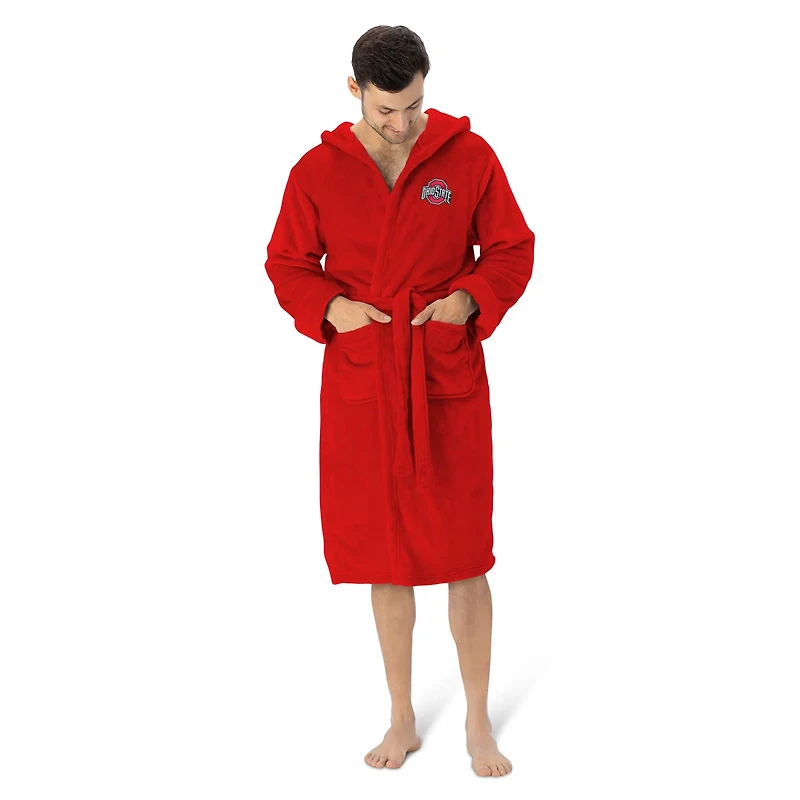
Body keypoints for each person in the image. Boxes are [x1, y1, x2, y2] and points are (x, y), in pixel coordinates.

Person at [263, 25, 534, 777]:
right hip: (366, 381)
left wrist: (468, 300)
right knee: (385, 557)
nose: (404, 123)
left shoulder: (468, 158)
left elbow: (511, 248)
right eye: (387, 109)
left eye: (414, 105)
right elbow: (286, 262)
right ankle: (402, 715)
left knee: (465, 553)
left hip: (443, 376)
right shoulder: (317, 171)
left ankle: (477, 719)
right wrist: (332, 308)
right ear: (355, 90)